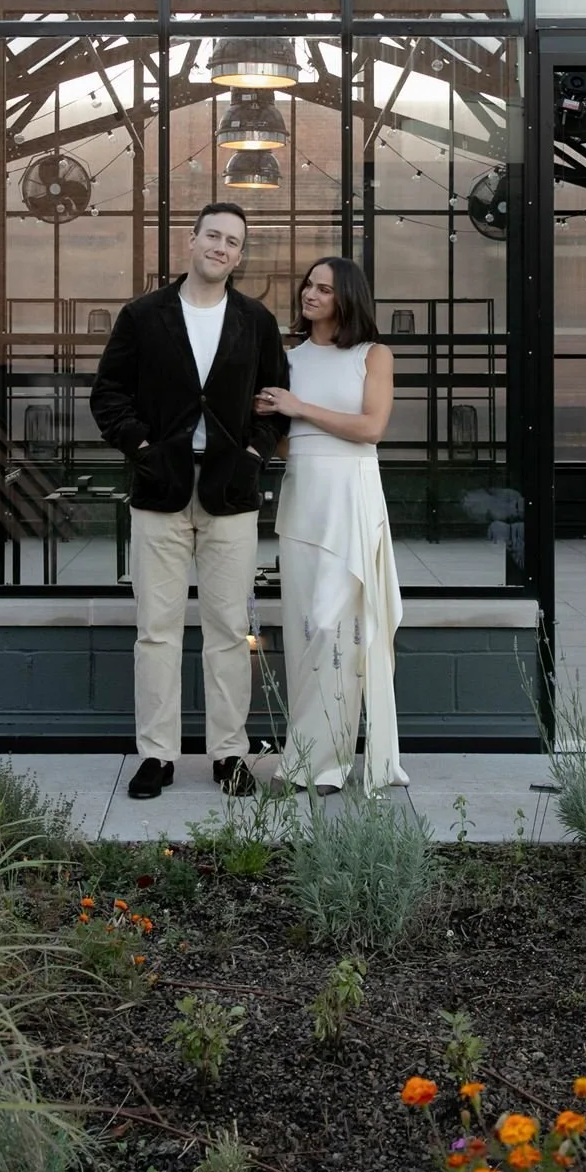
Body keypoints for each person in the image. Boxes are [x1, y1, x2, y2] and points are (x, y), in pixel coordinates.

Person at [91, 203, 289, 801]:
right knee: (157, 630)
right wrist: (144, 448)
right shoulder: (144, 315)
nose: (221, 247)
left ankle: (228, 754)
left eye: (233, 241)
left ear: (240, 253)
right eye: (213, 236)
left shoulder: (255, 321)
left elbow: (276, 397)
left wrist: (255, 455)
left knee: (229, 629)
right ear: (192, 240)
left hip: (231, 493)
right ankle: (157, 755)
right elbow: (109, 394)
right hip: (160, 493)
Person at [255, 256, 407, 794]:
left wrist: (300, 406)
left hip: (353, 496)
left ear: (347, 297)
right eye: (308, 285)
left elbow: (371, 428)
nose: (310, 294)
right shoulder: (288, 358)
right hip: (303, 497)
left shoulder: (374, 355)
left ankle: (324, 764)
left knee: (336, 628)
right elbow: (282, 439)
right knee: (303, 632)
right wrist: (274, 413)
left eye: (323, 288)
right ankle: (312, 756)